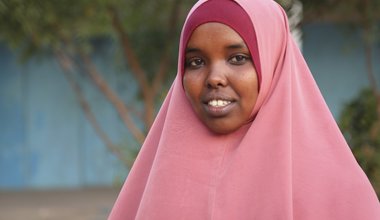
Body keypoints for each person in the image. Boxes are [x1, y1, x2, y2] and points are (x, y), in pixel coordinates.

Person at [109, 0, 380, 219]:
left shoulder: (339, 194)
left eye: (238, 58)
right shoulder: (154, 188)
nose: (214, 77)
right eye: (195, 61)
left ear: (274, 63)